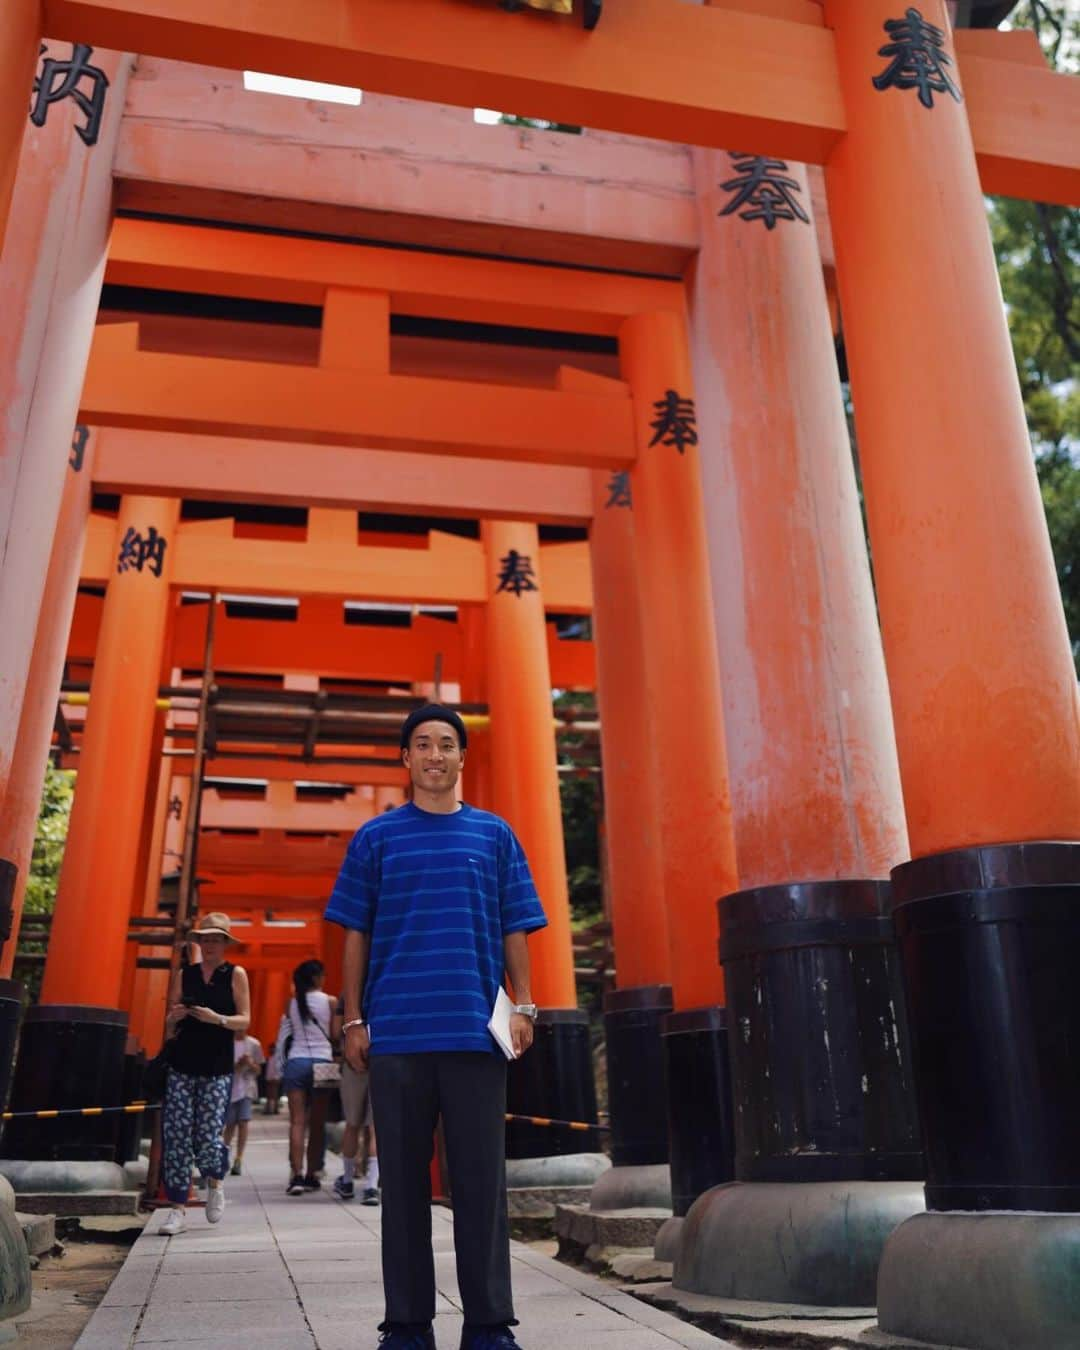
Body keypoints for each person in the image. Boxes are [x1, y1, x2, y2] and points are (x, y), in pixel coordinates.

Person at [325, 703, 546, 1350]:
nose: (434, 755)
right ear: (405, 758)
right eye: (422, 744)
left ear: (461, 758)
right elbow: (355, 933)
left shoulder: (494, 835)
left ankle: (488, 1326)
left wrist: (525, 1004)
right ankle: (406, 1326)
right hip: (396, 1036)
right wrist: (354, 1017)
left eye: (447, 744)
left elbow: (515, 924)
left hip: (477, 1034)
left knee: (481, 1188)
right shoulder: (376, 838)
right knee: (401, 1190)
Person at [159, 912, 251, 1237]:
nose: (210, 944)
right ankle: (177, 1208)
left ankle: (215, 1181)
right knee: (177, 1136)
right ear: (199, 943)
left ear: (225, 943)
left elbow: (245, 1020)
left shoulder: (235, 974)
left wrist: (217, 1019)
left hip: (217, 1066)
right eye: (205, 939)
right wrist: (176, 1016)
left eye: (216, 939)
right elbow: (168, 1019)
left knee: (209, 1134)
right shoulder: (186, 974)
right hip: (183, 1062)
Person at [278, 958, 336, 1195]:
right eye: (322, 975)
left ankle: (297, 1175)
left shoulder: (291, 1003)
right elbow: (334, 1034)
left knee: (297, 1122)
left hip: (296, 1061)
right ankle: (313, 1174)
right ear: (316, 978)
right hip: (323, 1062)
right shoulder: (330, 1001)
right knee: (317, 1123)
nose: (325, 979)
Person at [332, 990, 379, 1205]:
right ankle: (371, 1185)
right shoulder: (382, 981)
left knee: (352, 1124)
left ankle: (348, 1180)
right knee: (374, 1127)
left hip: (353, 1063)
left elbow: (335, 1031)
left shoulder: (349, 994)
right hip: (380, 1058)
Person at [223, 1029, 264, 1175]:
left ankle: (239, 1158)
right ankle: (224, 1155)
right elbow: (222, 1069)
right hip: (228, 1089)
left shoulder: (253, 1044)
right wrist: (238, 1065)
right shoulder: (226, 1043)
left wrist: (250, 1064)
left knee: (243, 1122)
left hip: (247, 1088)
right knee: (229, 1125)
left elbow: (259, 1070)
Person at [263, 1040, 283, 1115]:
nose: (271, 1050)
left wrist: (278, 1077)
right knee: (269, 1095)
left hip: (275, 1078)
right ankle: (269, 1108)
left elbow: (278, 1069)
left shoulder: (277, 1058)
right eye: (270, 1048)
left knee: (274, 1095)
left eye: (272, 1048)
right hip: (269, 1078)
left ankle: (274, 1109)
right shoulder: (269, 1058)